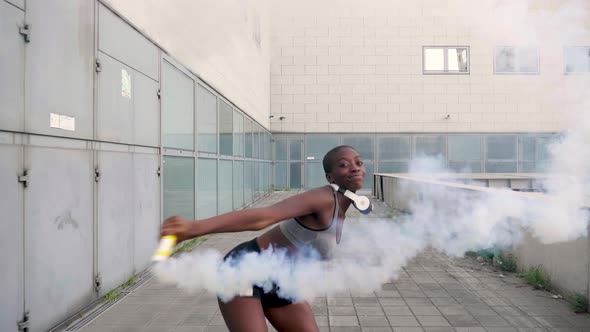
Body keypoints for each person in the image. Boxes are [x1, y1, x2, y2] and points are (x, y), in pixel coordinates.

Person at [161, 145, 367, 332]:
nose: (355, 168)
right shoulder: (323, 198)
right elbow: (264, 217)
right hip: (243, 271)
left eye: (358, 163)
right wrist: (193, 228)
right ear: (330, 178)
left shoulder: (343, 208)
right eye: (344, 165)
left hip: (281, 282)